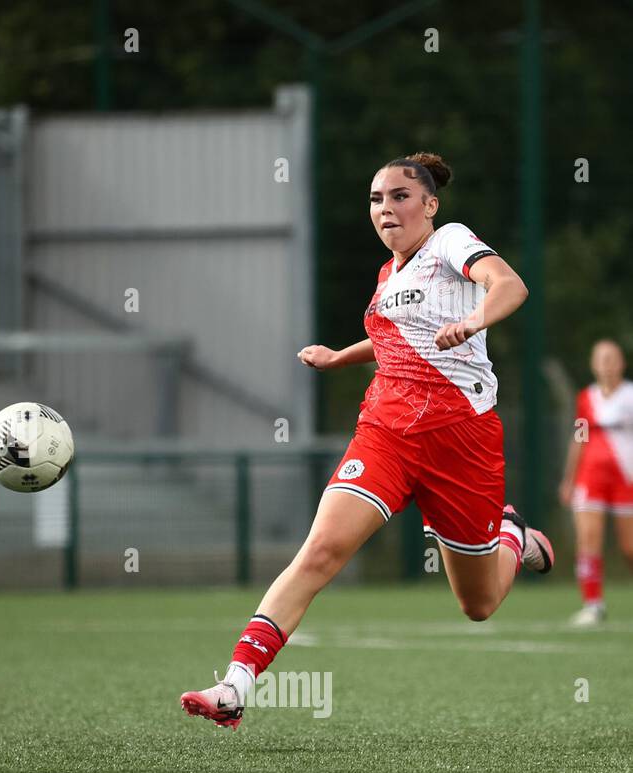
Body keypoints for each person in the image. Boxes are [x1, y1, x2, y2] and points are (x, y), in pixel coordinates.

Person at [180, 152, 554, 730]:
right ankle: (234, 685)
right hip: (385, 433)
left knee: (478, 606)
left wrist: (478, 320)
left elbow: (510, 285)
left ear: (430, 205)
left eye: (401, 196)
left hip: (462, 441)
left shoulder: (451, 241)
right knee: (321, 551)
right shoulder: (388, 277)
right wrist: (341, 355)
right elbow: (393, 342)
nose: (386, 208)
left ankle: (512, 535)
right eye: (377, 199)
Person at [558, 339, 633, 627]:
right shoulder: (586, 398)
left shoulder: (629, 395)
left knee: (629, 547)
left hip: (626, 479)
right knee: (588, 539)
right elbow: (579, 439)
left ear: (621, 363)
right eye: (601, 359)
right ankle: (593, 604)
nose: (607, 364)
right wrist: (569, 480)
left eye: (612, 358)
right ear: (593, 364)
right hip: (591, 478)